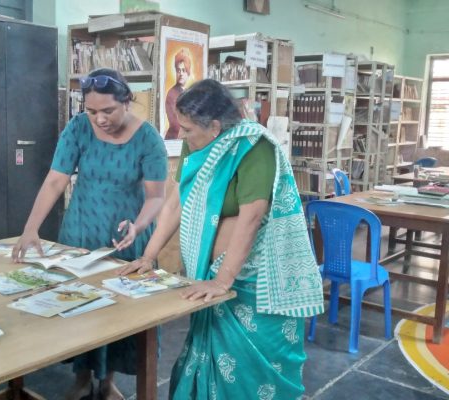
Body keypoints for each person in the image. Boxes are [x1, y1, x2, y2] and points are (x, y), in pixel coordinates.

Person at [120, 79, 324, 399]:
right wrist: (148, 255)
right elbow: (177, 201)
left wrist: (223, 281)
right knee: (205, 356)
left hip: (253, 282)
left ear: (214, 126)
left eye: (187, 130)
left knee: (251, 373)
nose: (182, 136)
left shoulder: (254, 148)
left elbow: (252, 217)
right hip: (212, 273)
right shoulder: (197, 142)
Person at [12, 68, 168, 400]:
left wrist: (139, 225)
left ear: (127, 101)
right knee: (78, 306)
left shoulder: (148, 138)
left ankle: (107, 380)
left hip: (124, 237)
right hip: (80, 233)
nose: (99, 119)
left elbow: (156, 197)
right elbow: (56, 179)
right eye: (92, 111)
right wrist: (30, 227)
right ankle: (81, 376)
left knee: (116, 312)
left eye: (108, 111)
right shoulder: (78, 128)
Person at [164, 48, 192, 140]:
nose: (181, 74)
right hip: (175, 139)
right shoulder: (172, 94)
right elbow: (175, 123)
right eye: (178, 70)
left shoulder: (189, 92)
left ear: (188, 72)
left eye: (184, 70)